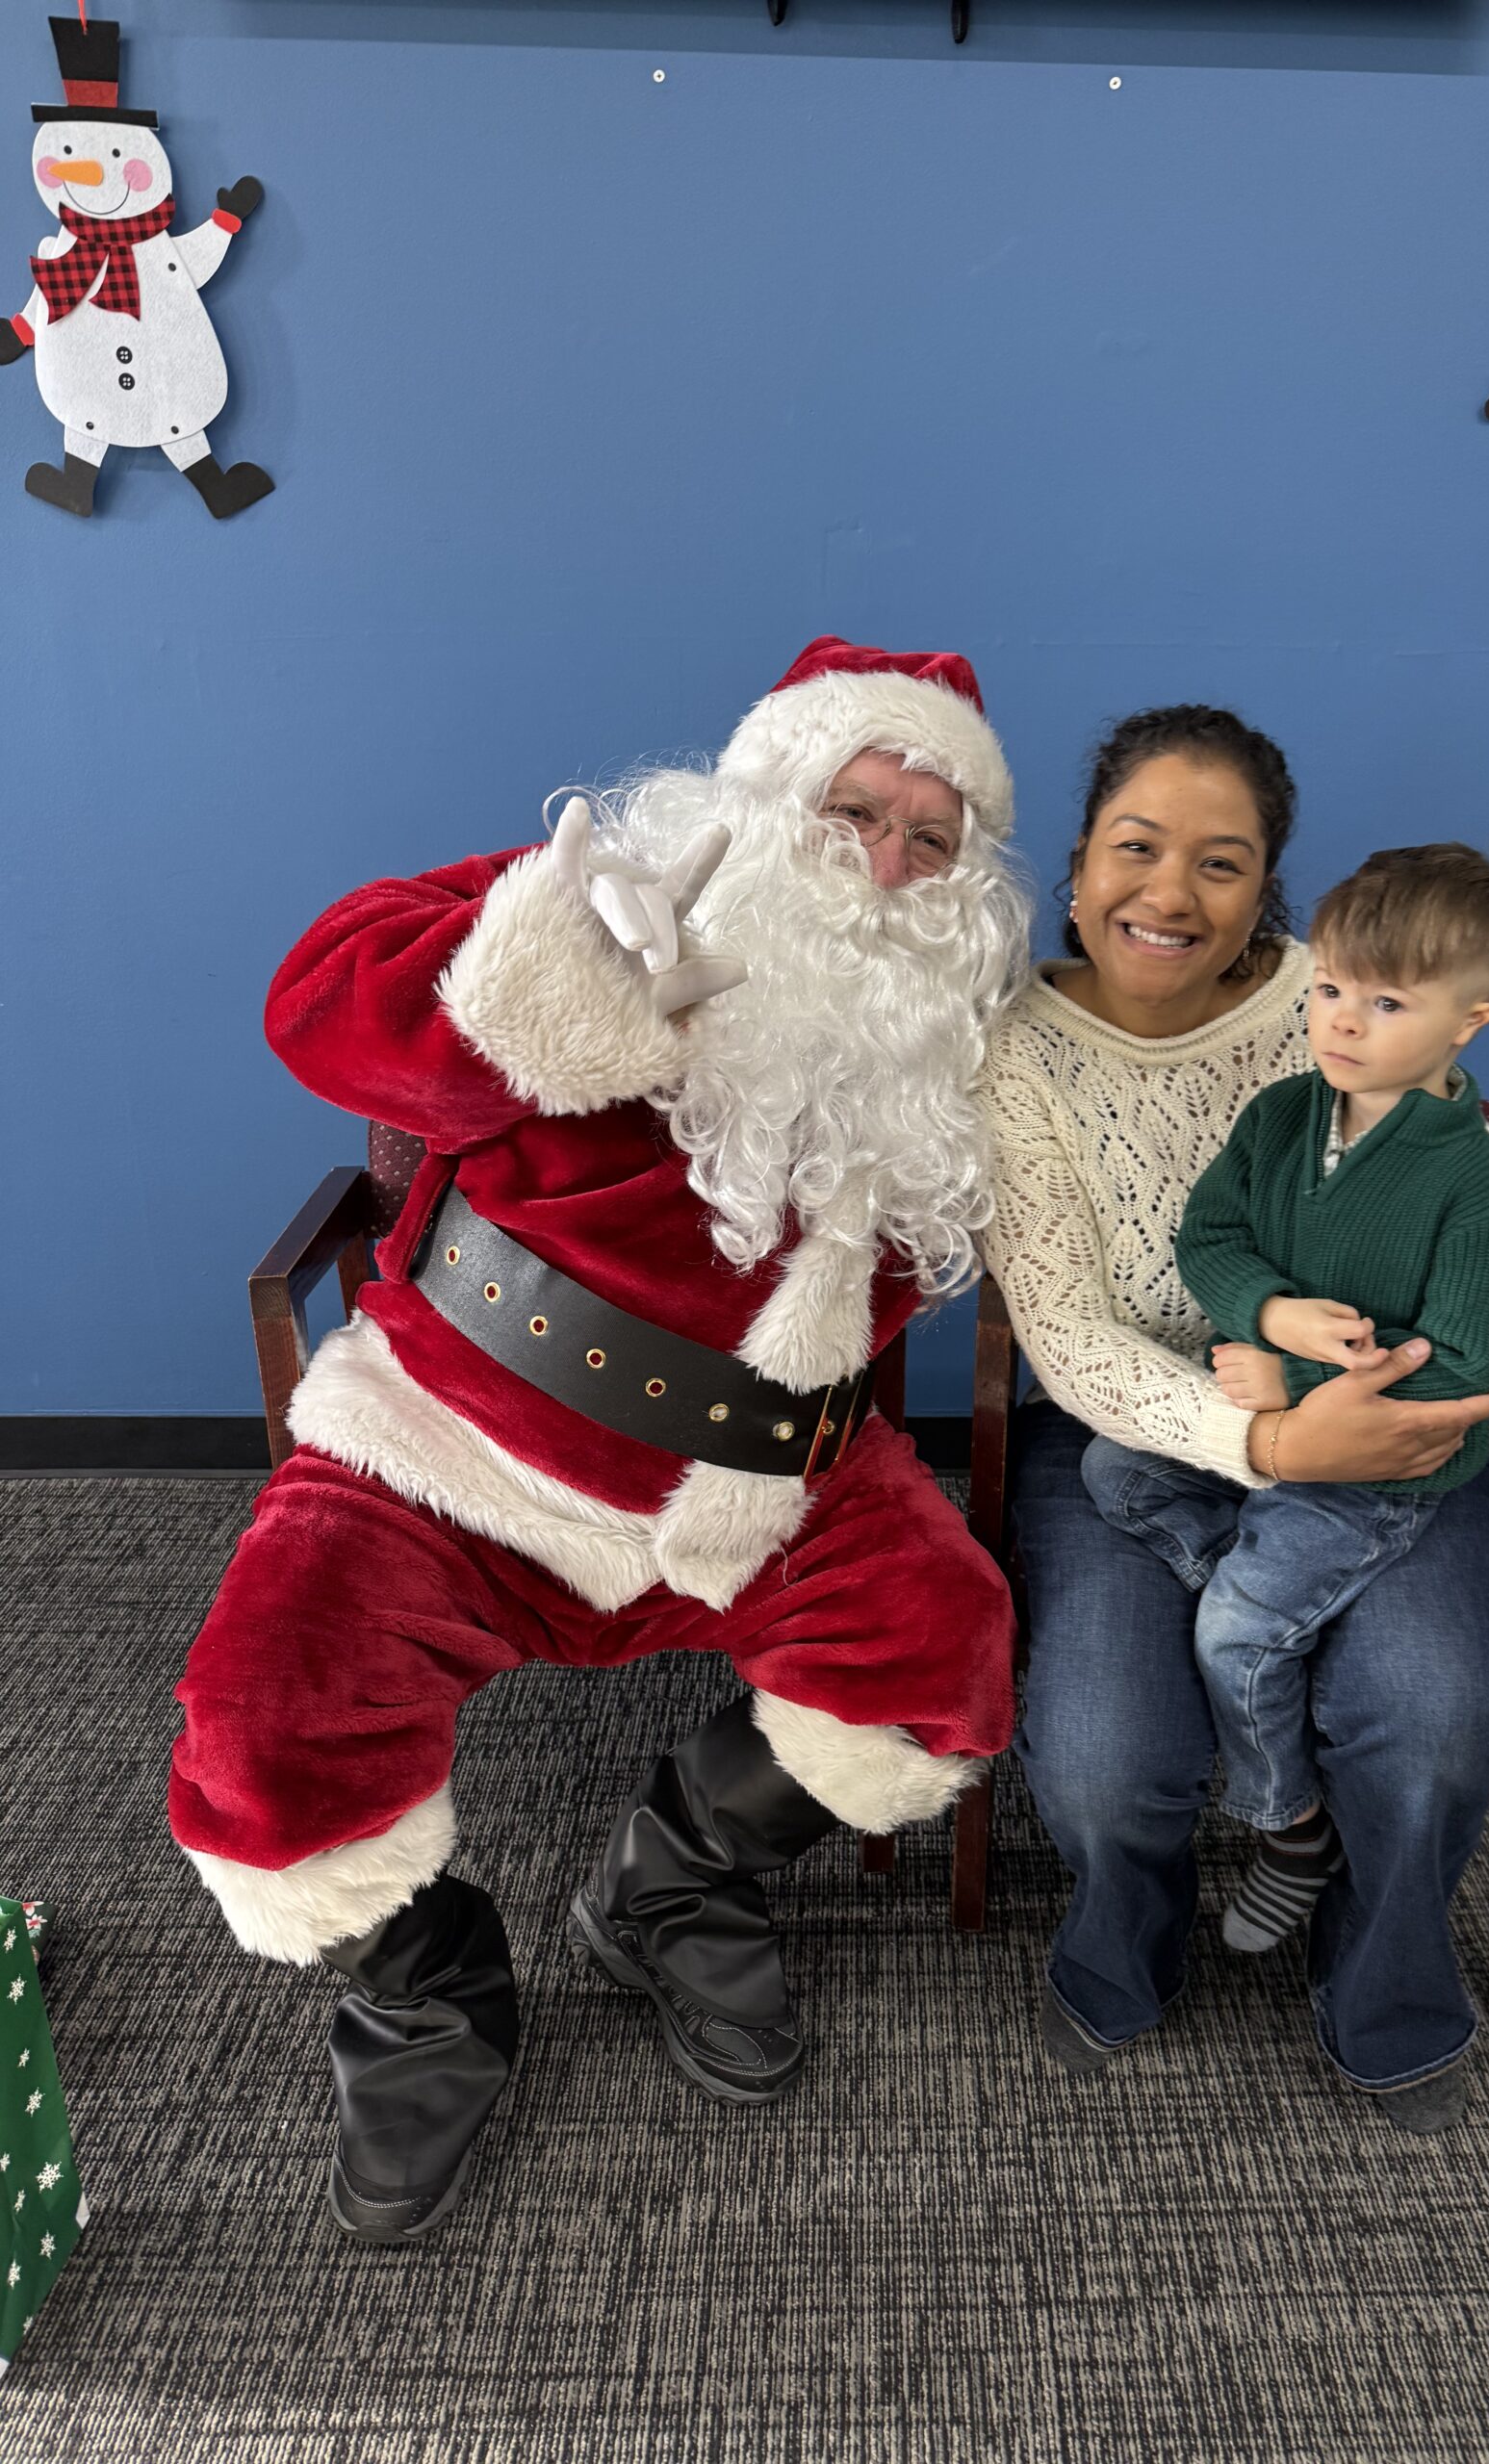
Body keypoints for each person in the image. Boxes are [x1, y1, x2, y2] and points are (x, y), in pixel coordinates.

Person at [169, 636, 1032, 2241]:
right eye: (859, 811)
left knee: (943, 1666)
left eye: (935, 838)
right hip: (448, 1459)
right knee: (266, 1727)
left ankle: (675, 1875)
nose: (891, 862)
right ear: (766, 796)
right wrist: (550, 982)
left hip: (764, 1488)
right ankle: (425, 1986)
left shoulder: (951, 1047)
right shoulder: (602, 899)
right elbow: (315, 1008)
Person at [977, 707, 1489, 2135]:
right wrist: (1265, 1442)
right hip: (1131, 1436)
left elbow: (1448, 1215)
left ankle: (1385, 1986)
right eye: (1134, 848)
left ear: (1266, 887)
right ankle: (1125, 1946)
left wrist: (1352, 1404)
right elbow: (1070, 1333)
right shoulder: (1010, 1054)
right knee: (1103, 1759)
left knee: (1428, 1714)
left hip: (1378, 1420)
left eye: (1218, 865)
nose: (1168, 894)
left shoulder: (1333, 1002)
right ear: (1080, 860)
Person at [1081, 844, 1489, 1965]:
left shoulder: (1475, 1189)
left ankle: (1287, 1824)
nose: (1341, 1021)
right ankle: (1294, 1601)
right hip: (1278, 1432)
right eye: (1331, 988)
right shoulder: (1288, 1115)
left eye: (1385, 1002)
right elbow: (1211, 1236)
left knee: (1232, 1629)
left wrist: (1304, 1385)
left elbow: (1468, 1375)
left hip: (1381, 1468)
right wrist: (1272, 1314)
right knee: (1111, 1470)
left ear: (1466, 1022)